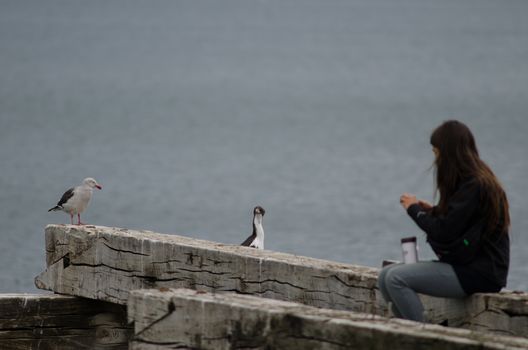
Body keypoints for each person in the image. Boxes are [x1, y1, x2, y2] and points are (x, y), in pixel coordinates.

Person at [378, 120, 510, 322]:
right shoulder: (470, 180)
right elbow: (457, 221)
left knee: (396, 278)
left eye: (436, 151)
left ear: (448, 153)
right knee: (385, 275)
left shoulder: (476, 185)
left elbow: (443, 232)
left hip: (480, 273)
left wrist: (414, 210)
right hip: (465, 266)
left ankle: (421, 337)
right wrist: (433, 211)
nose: (435, 158)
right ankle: (406, 331)